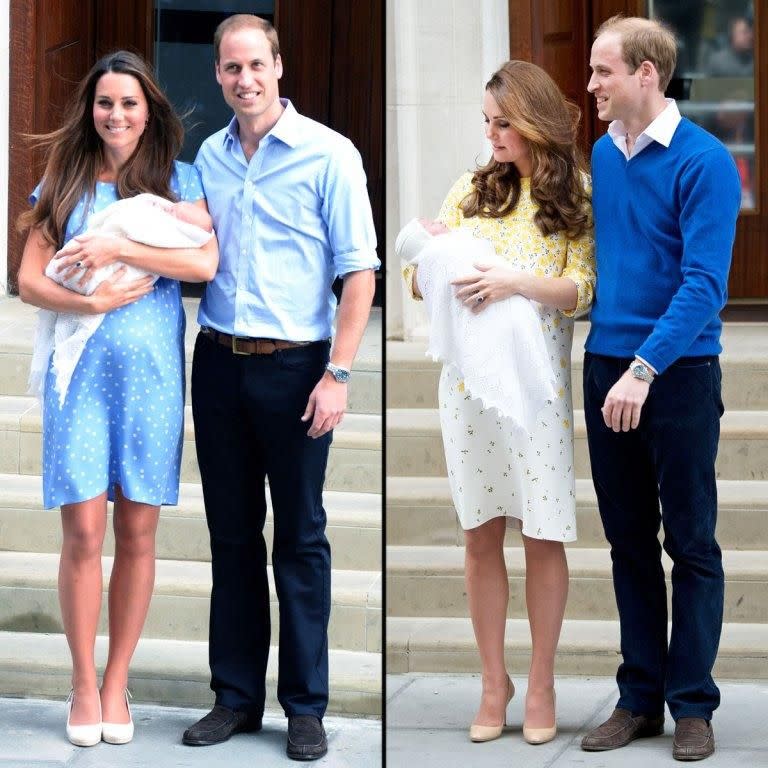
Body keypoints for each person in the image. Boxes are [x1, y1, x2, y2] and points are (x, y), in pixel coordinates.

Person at [181, 14, 378, 761]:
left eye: (255, 65)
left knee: (299, 539)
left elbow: (358, 271)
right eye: (231, 68)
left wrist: (339, 372)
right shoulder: (210, 155)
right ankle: (234, 697)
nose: (244, 80)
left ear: (279, 67)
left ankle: (304, 707)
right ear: (220, 74)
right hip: (220, 363)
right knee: (231, 538)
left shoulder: (330, 154)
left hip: (299, 368)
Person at [16, 51, 218, 747]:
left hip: (152, 379)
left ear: (149, 110)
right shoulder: (65, 179)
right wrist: (94, 293)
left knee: (136, 532)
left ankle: (115, 682)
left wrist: (118, 247)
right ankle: (80, 680)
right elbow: (28, 279)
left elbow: (203, 263)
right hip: (79, 379)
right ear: (91, 110)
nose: (117, 115)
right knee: (83, 533)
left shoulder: (177, 181)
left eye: (129, 103)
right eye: (105, 103)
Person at [402, 60, 594, 746]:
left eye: (503, 121)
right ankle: (494, 681)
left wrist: (514, 282)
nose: (492, 135)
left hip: (537, 393)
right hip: (467, 391)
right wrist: (434, 254)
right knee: (480, 533)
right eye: (487, 122)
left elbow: (583, 290)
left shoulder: (576, 197)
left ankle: (540, 681)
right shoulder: (470, 188)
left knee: (541, 534)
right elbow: (416, 280)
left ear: (534, 119)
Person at [580, 15, 740, 762]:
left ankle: (693, 704)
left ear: (647, 73)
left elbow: (705, 285)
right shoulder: (603, 157)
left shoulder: (704, 162)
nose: (591, 87)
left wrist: (644, 369)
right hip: (605, 365)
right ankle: (640, 697)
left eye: (603, 72)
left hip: (675, 375)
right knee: (628, 544)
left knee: (692, 542)